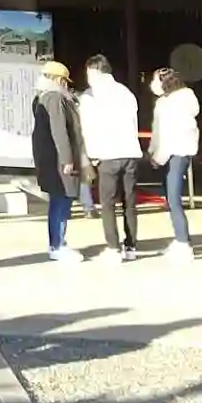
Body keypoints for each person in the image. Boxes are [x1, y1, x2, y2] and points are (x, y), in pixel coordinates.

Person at [79, 55, 144, 262]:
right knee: (129, 202)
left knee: (108, 204)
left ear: (95, 71)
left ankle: (113, 248)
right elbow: (133, 122)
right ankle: (131, 247)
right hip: (130, 153)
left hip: (107, 155)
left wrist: (92, 155)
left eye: (89, 73)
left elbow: (88, 128)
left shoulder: (90, 96)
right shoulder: (126, 92)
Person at [32, 60, 89, 263]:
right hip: (58, 160)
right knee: (61, 201)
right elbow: (60, 130)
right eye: (64, 81)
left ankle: (57, 243)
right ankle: (57, 245)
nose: (66, 85)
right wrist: (67, 159)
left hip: (50, 159)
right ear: (58, 80)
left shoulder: (42, 97)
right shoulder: (55, 98)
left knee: (59, 201)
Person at [150, 65, 200, 260]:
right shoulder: (176, 100)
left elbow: (167, 135)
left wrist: (157, 157)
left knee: (173, 200)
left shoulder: (170, 104)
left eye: (155, 80)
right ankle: (180, 239)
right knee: (172, 199)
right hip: (179, 153)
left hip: (174, 154)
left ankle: (183, 243)